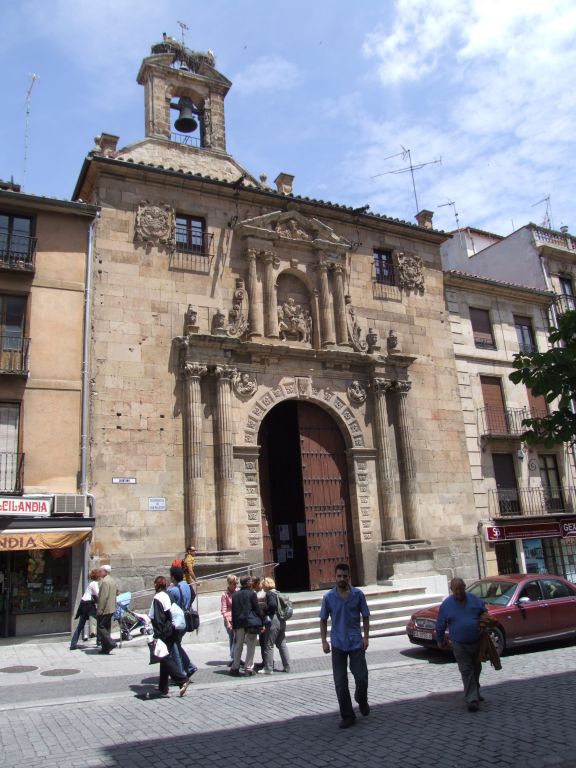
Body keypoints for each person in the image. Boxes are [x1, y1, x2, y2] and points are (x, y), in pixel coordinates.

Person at [320, 563, 370, 729]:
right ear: (335, 577)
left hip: (356, 641)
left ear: (349, 577)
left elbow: (366, 615)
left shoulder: (358, 594)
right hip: (338, 643)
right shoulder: (328, 597)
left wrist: (366, 637)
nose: (342, 579)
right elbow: (323, 619)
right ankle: (348, 715)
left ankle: (361, 698)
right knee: (340, 682)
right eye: (339, 576)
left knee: (361, 677)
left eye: (344, 576)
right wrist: (324, 640)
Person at [436, 577, 487, 712]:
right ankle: (472, 699)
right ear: (452, 590)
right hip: (459, 644)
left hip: (476, 641)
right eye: (456, 589)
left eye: (461, 588)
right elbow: (440, 623)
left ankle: (475, 691)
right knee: (466, 670)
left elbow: (485, 612)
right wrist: (440, 640)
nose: (459, 592)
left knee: (476, 668)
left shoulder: (474, 599)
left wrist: (484, 623)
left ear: (465, 587)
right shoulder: (447, 604)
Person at [149, 575, 191, 697]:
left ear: (156, 585)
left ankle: (182, 680)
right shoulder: (168, 595)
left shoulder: (158, 597)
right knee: (164, 656)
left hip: (165, 631)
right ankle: (163, 686)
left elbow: (159, 617)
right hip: (173, 629)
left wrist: (158, 634)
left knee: (163, 657)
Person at [167, 565, 197, 678]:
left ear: (173, 577)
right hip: (187, 618)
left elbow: (168, 603)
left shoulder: (173, 590)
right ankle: (189, 667)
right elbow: (193, 596)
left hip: (178, 621)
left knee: (174, 646)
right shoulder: (186, 585)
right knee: (177, 645)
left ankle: (180, 673)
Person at [230, 576, 263, 677]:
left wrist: (234, 624)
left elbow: (234, 611)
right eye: (250, 581)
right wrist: (262, 620)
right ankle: (248, 668)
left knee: (238, 645)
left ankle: (235, 667)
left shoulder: (235, 594)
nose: (252, 582)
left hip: (239, 622)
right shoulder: (252, 594)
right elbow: (257, 609)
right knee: (251, 645)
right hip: (250, 622)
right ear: (246, 583)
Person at [260, 577, 290, 674]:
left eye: (263, 585)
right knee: (282, 643)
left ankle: (268, 668)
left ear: (265, 585)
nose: (262, 587)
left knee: (268, 644)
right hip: (282, 619)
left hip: (274, 619)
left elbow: (272, 605)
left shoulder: (269, 593)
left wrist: (265, 610)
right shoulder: (277, 592)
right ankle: (287, 666)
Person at [70, 568, 101, 650]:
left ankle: (73, 644)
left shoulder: (91, 583)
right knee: (100, 620)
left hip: (83, 603)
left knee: (80, 625)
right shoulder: (94, 583)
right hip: (88, 604)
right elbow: (98, 594)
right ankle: (99, 641)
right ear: (98, 576)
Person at [96, 565, 118, 655]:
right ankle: (106, 648)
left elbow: (103, 597)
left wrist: (100, 609)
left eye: (101, 571)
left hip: (105, 609)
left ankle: (110, 643)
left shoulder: (105, 582)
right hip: (111, 608)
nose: (99, 573)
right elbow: (117, 592)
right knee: (107, 627)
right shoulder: (112, 580)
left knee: (101, 627)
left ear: (105, 571)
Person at [220, 574, 239, 666]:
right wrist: (227, 623)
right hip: (229, 619)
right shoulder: (224, 594)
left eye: (236, 583)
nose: (236, 585)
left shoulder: (238, 592)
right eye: (234, 584)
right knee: (233, 638)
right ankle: (233, 657)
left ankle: (235, 657)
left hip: (238, 618)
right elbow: (223, 610)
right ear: (229, 583)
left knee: (237, 639)